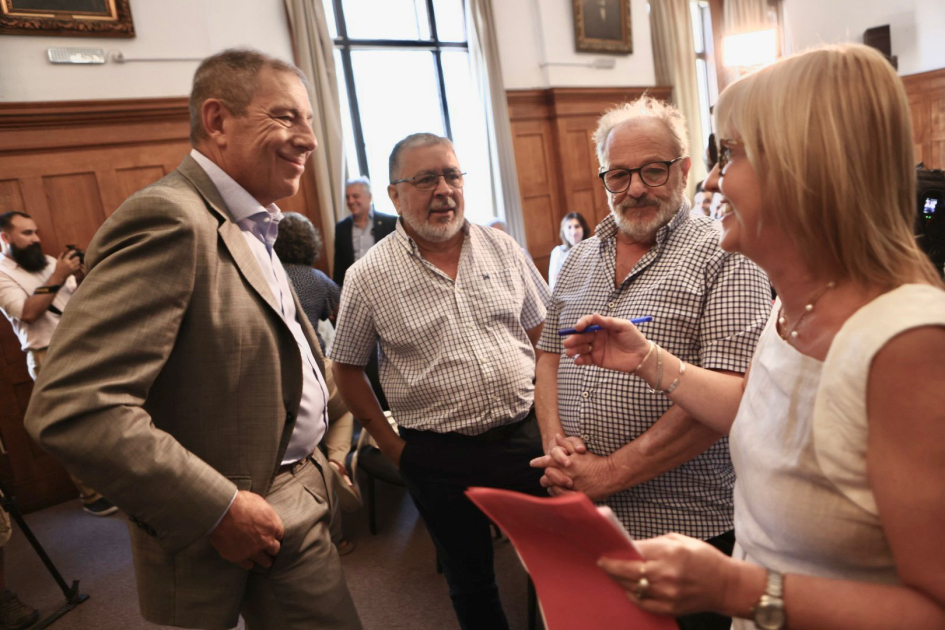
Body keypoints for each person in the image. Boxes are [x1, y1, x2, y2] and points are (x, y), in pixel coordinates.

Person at [562, 44, 945, 629]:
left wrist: (737, 587)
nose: (713, 179)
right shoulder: (793, 307)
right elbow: (761, 411)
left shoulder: (906, 344)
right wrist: (648, 361)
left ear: (806, 172)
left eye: (731, 155)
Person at [24, 49, 362, 630]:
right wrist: (219, 510)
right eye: (286, 117)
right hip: (237, 516)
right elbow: (73, 407)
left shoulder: (256, 219)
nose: (308, 139)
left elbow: (285, 361)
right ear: (217, 120)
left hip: (302, 489)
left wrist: (328, 458)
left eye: (310, 119)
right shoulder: (171, 219)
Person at [532, 96, 772, 630]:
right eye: (618, 175)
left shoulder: (727, 255)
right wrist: (556, 445)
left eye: (652, 171)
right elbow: (548, 356)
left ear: (684, 169)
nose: (635, 188)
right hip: (582, 515)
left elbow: (731, 393)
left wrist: (608, 473)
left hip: (685, 529)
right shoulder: (576, 260)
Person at [329, 133, 551, 630]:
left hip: (524, 440)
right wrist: (392, 448)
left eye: (452, 175)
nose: (444, 189)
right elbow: (345, 366)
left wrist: (551, 423)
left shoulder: (503, 247)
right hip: (437, 456)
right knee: (470, 581)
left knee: (552, 563)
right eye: (426, 179)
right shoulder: (368, 276)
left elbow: (546, 341)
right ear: (395, 195)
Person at [0, 211, 117, 518]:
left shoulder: (51, 263)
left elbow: (80, 302)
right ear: (5, 238)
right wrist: (59, 276)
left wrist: (78, 275)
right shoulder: (3, 273)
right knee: (70, 428)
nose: (36, 239)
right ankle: (92, 495)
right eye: (26, 233)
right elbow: (27, 312)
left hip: (83, 347)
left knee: (107, 417)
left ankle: (120, 483)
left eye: (35, 232)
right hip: (47, 355)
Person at [274, 212, 339, 353]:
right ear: (311, 242)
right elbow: (346, 316)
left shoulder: (270, 275)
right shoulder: (318, 278)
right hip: (313, 357)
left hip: (280, 358)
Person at [333, 177, 396, 288]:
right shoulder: (341, 228)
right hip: (357, 290)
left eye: (355, 196)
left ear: (369, 197)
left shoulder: (390, 223)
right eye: (348, 197)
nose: (351, 201)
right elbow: (339, 267)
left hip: (388, 286)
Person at [548, 212, 590, 289]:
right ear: (563, 231)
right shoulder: (558, 252)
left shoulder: (592, 249)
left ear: (583, 229)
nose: (573, 232)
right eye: (569, 227)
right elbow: (553, 284)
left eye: (577, 226)